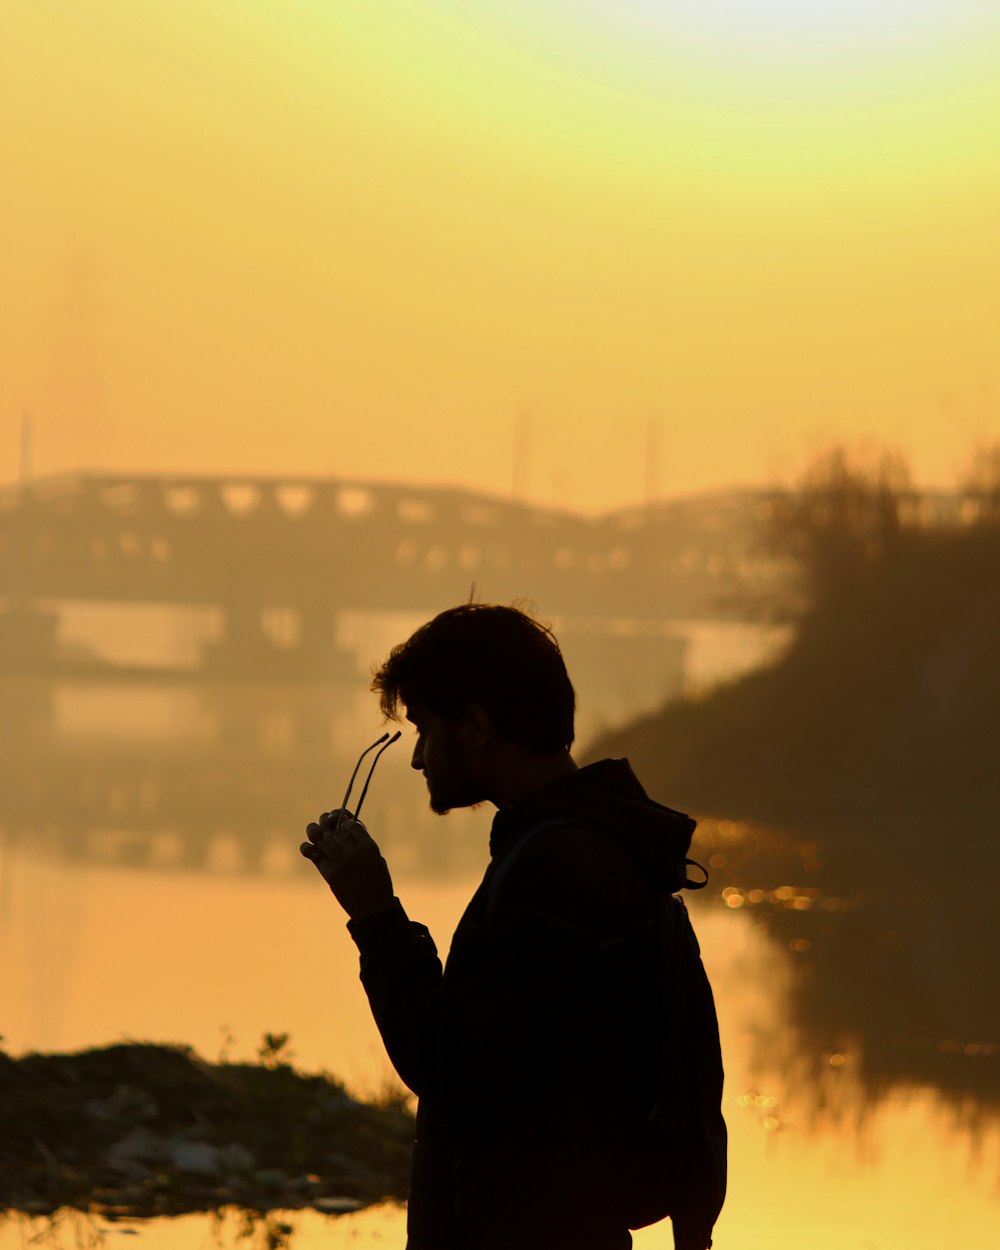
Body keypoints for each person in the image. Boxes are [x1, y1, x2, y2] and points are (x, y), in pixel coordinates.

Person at [301, 603, 721, 1250]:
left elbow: (452, 1069)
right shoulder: (597, 846)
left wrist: (376, 914)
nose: (416, 759)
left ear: (473, 727)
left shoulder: (555, 873)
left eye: (423, 729)